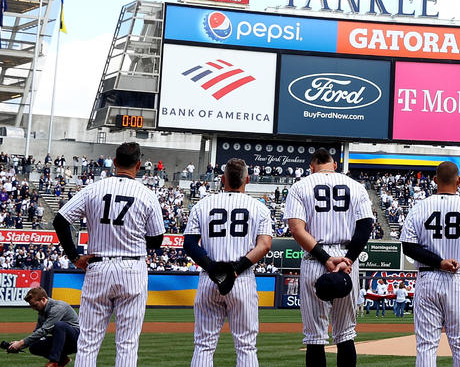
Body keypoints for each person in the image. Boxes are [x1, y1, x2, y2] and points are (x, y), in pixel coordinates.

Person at [53, 141, 164, 367]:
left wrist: (74, 256)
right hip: (132, 268)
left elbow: (60, 220)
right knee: (127, 343)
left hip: (98, 265)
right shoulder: (147, 194)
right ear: (139, 165)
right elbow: (156, 241)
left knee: (88, 342)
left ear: (114, 162)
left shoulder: (94, 188)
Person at [284, 148, 374, 367]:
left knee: (314, 336)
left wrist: (325, 258)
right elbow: (365, 226)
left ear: (312, 166)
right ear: (335, 165)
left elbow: (296, 229)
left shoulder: (300, 186)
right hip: (347, 261)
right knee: (345, 334)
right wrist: (349, 259)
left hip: (315, 259)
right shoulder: (355, 186)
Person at [401, 160, 460, 367]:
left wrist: (439, 262)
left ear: (434, 180)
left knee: (426, 345)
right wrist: (458, 256)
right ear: (459, 181)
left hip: (427, 279)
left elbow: (408, 247)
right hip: (458, 280)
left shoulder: (419, 207)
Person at [183, 158, 274, 367]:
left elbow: (189, 243)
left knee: (204, 345)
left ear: (222, 179)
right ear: (247, 179)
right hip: (241, 279)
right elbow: (264, 245)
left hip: (210, 278)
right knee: (246, 346)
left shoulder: (203, 204)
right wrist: (236, 269)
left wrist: (212, 267)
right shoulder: (259, 207)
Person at [4, 287, 79, 367]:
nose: (33, 309)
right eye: (32, 306)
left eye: (35, 305)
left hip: (76, 340)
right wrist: (18, 346)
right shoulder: (42, 312)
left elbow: (45, 330)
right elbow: (37, 332)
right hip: (62, 341)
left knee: (59, 325)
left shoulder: (58, 307)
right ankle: (62, 359)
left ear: (43, 299)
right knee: (34, 346)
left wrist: (21, 342)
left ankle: (54, 361)